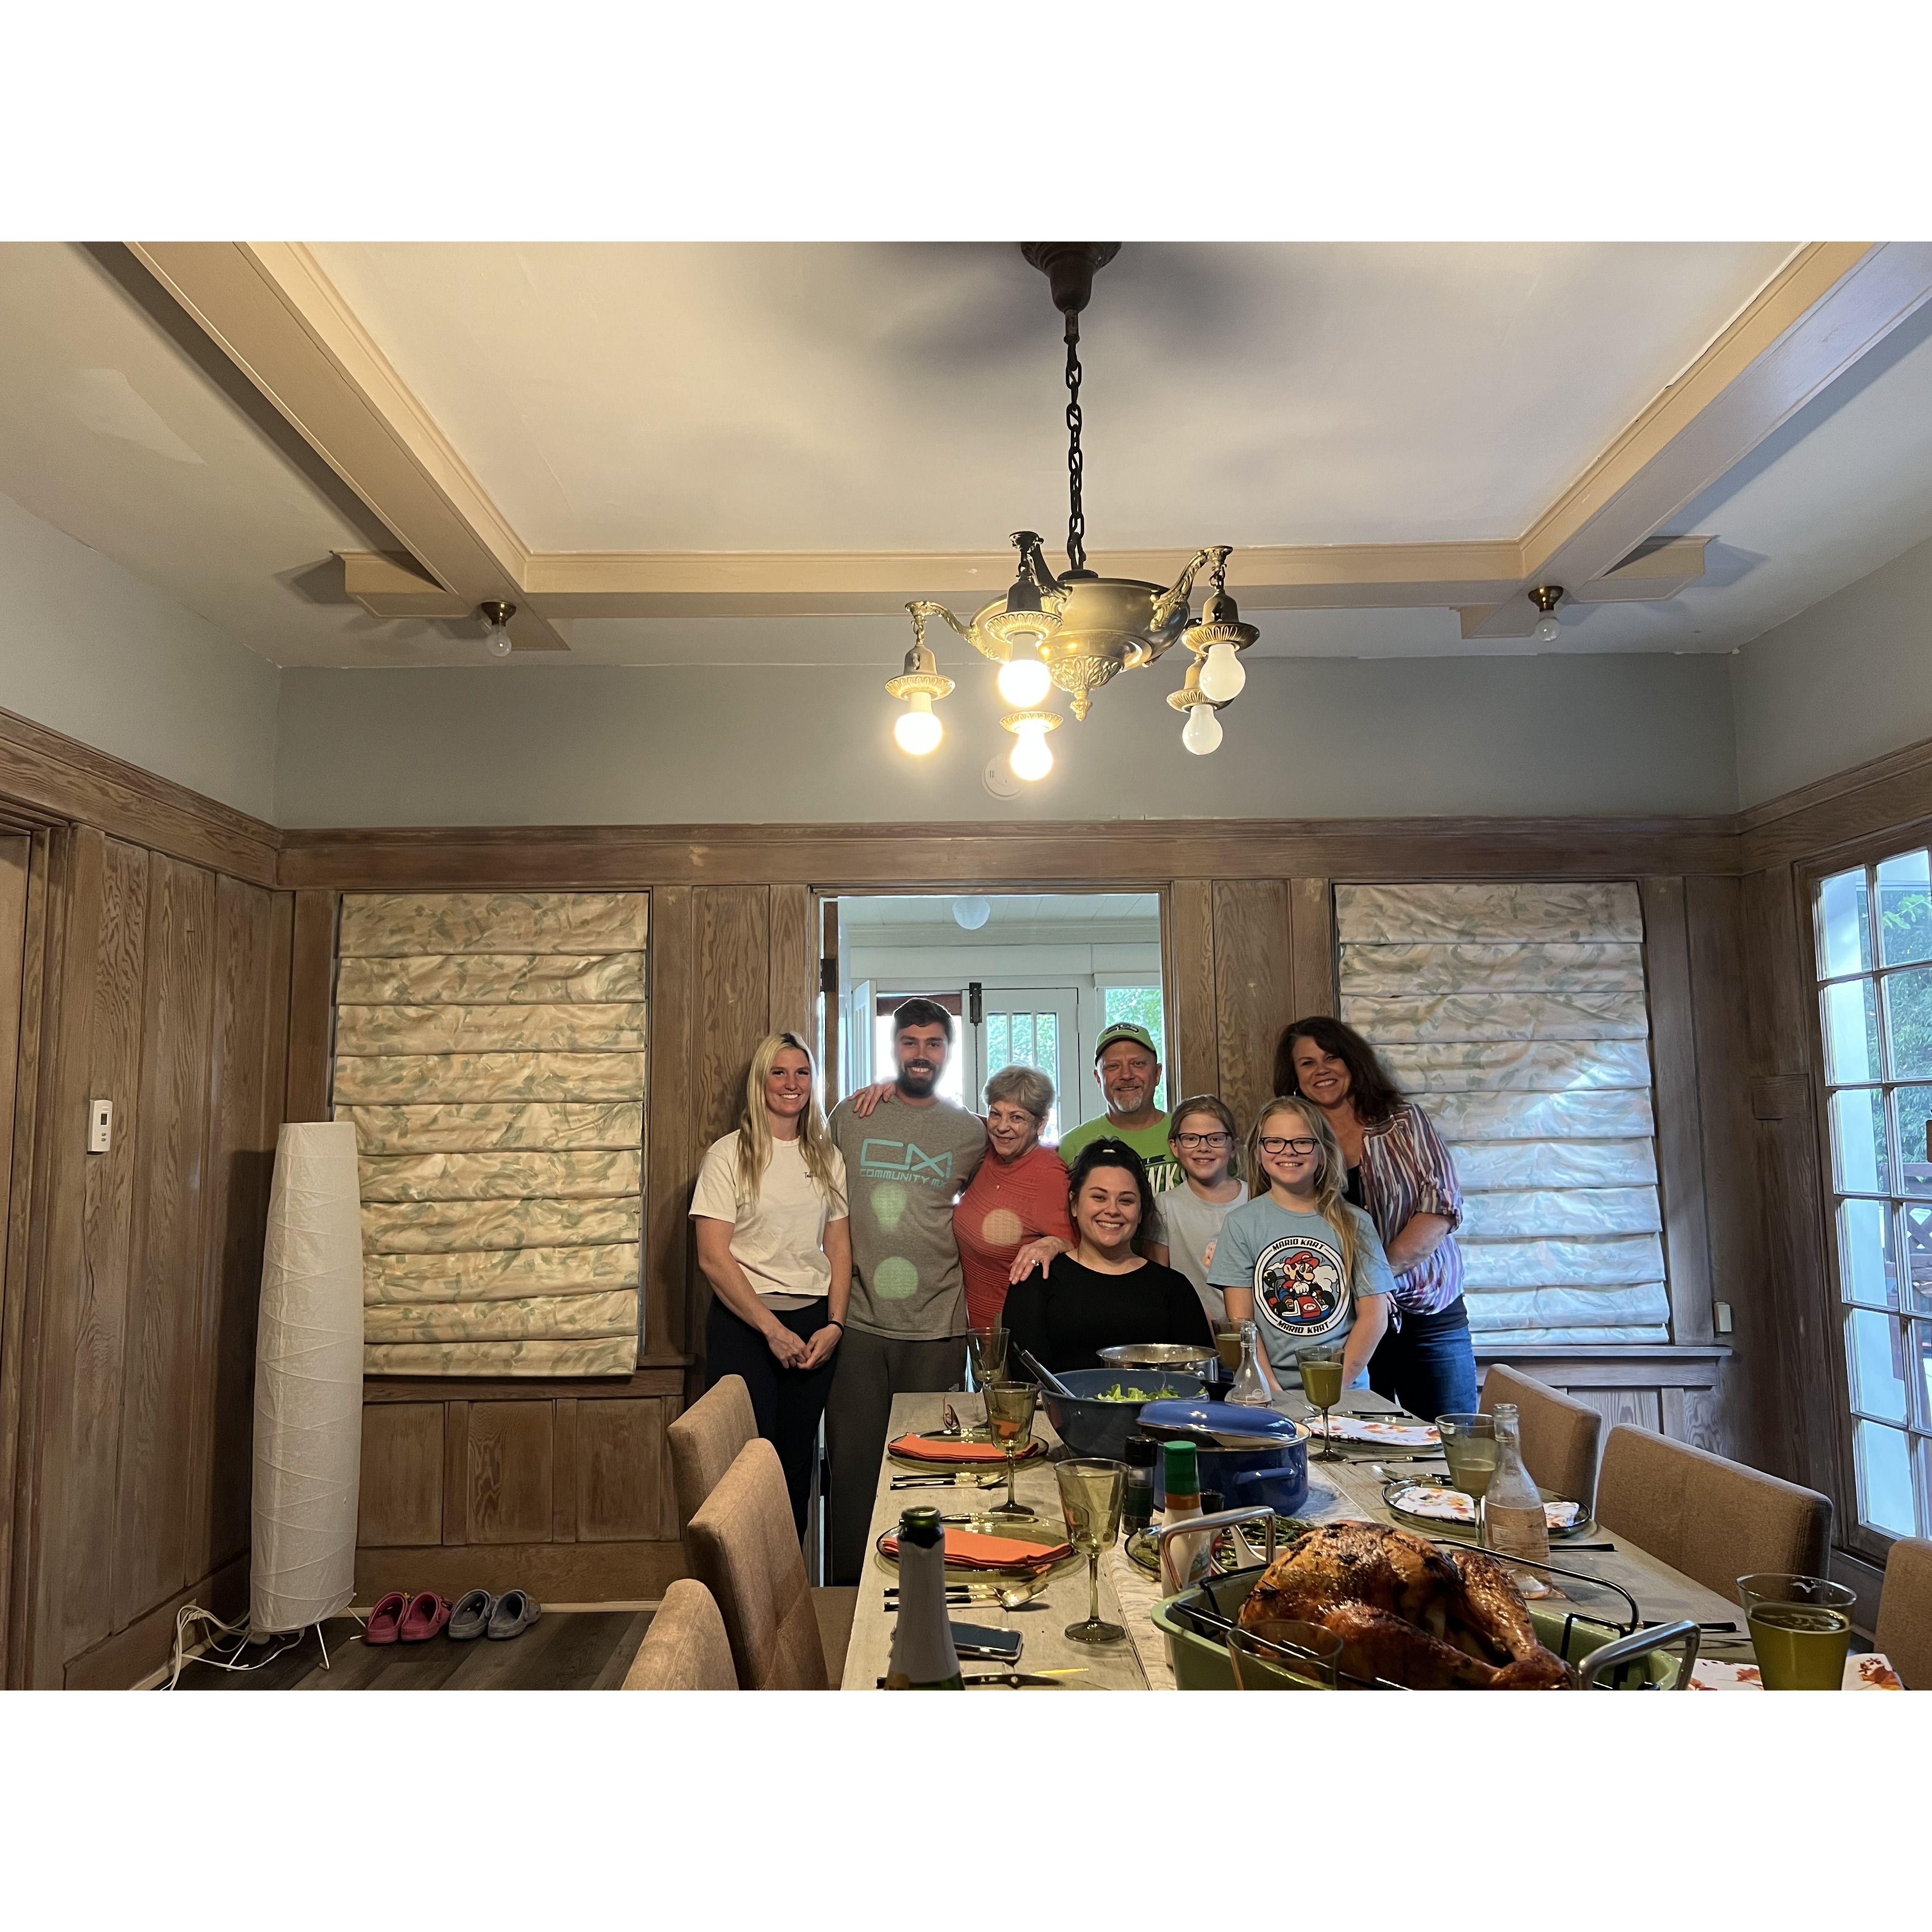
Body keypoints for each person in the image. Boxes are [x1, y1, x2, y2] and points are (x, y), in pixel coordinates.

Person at [824, 998, 988, 1585]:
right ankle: (848, 1598)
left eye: (934, 1043)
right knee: (853, 1475)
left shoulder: (971, 1132)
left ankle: (922, 1596)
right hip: (858, 1324)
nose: (921, 1054)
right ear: (893, 1047)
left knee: (929, 1476)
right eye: (910, 1042)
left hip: (937, 1328)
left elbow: (1013, 1184)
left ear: (948, 1051)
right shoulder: (851, 1116)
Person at [1275, 1015, 1478, 1419]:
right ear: (1295, 1076)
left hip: (1428, 1314)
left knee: (1451, 1439)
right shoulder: (1297, 1141)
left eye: (1332, 1058)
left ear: (1353, 1061)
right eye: (1307, 1063)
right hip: (1348, 1325)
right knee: (1362, 1441)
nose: (1321, 1070)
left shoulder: (1405, 1121)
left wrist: (1375, 1280)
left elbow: (1440, 1208)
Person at [691, 1031, 851, 1539]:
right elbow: (713, 1257)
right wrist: (772, 1330)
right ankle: (740, 1583)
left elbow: (839, 1249)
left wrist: (835, 1325)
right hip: (745, 1326)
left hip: (813, 1328)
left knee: (795, 1464)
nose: (791, 1083)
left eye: (802, 1073)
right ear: (760, 1082)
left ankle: (788, 1581)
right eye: (778, 1073)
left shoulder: (827, 1157)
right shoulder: (728, 1155)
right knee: (743, 1467)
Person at [1208, 1095, 1394, 1395]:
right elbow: (1242, 1324)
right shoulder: (1241, 1223)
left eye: (1303, 1142)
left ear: (1322, 1151)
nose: (1288, 1150)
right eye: (1275, 1142)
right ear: (1258, 1152)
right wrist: (1273, 1393)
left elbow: (1375, 1318)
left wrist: (1332, 1388)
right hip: (1268, 1392)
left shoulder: (1355, 1222)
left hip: (1345, 1391)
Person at [1004, 1140, 1213, 1374]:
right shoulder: (1037, 1279)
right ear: (1075, 1204)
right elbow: (1025, 1379)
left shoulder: (1174, 1287)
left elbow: (1200, 1380)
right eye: (1099, 1198)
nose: (1113, 1210)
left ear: (1141, 1213)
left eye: (1126, 1201)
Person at [952, 1065, 1075, 1331]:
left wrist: (1056, 1243)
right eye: (995, 1114)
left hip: (1013, 1329)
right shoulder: (991, 1148)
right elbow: (944, 1114)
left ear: (1041, 1123)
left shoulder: (1049, 1176)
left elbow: (1079, 1250)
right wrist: (892, 1086)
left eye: (1017, 1118)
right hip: (971, 1324)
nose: (1002, 1127)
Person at [1149, 1094, 1249, 1323]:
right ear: (1175, 1146)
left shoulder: (1255, 1199)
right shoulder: (1165, 1206)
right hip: (1193, 1329)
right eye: (1191, 1139)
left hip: (1253, 1331)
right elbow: (1158, 1281)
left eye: (1215, 1139)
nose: (1204, 1148)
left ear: (1233, 1146)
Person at [1054, 1023, 1181, 1196]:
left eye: (1138, 1064)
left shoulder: (1189, 1134)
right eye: (1113, 1066)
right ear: (1098, 1079)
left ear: (1158, 1073)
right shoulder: (1070, 1147)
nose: (1126, 1075)